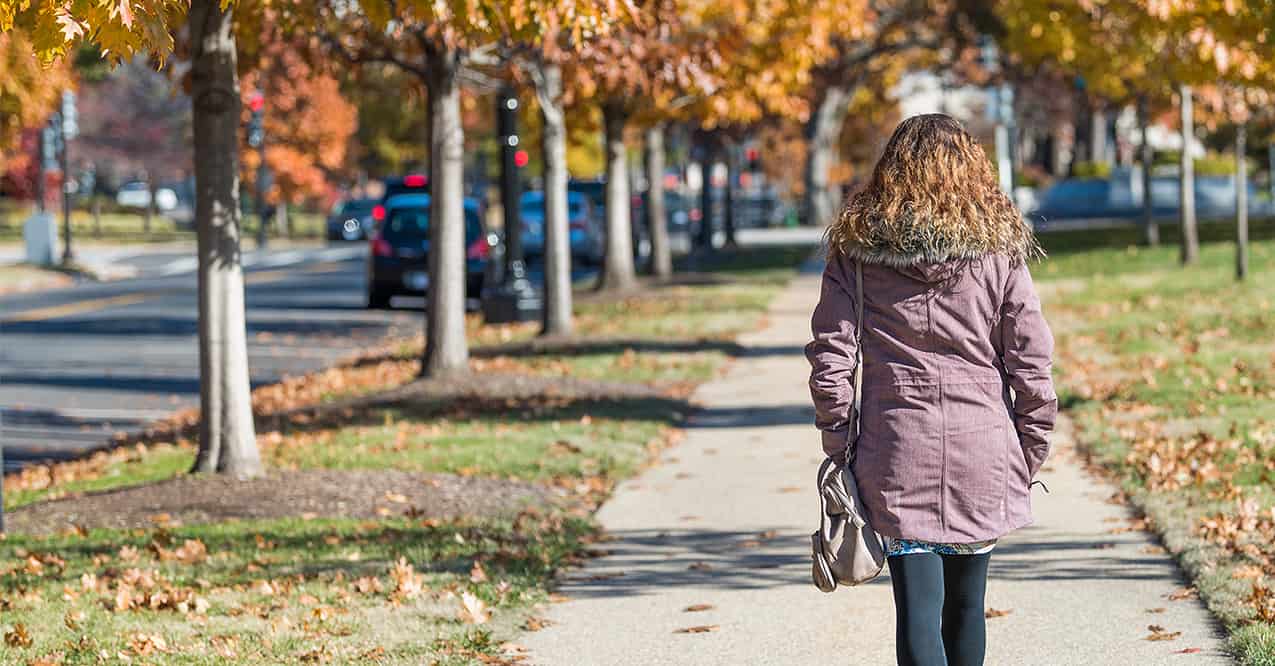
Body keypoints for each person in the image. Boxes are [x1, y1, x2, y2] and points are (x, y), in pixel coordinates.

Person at [805, 114, 1057, 666]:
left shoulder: (857, 254)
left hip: (895, 451)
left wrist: (840, 443)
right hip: (982, 450)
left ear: (891, 172)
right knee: (968, 608)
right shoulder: (999, 253)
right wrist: (1031, 445)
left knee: (916, 611)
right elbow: (1031, 359)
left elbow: (831, 356)